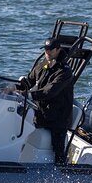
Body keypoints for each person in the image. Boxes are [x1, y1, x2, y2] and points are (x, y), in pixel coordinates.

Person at [15, 37, 74, 165]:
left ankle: (61, 171)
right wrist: (14, 87)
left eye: (50, 50)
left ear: (58, 50)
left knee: (58, 150)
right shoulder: (43, 64)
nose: (47, 52)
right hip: (42, 114)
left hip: (58, 118)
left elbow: (49, 91)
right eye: (46, 49)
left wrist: (27, 95)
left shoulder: (65, 71)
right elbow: (29, 80)